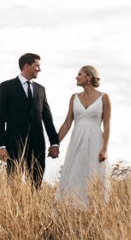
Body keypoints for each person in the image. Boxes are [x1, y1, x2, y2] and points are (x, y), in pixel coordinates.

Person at [0, 52, 60, 186]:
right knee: (13, 182)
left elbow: (47, 118)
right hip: (14, 144)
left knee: (36, 182)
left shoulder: (41, 89)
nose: (39, 69)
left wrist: (54, 143)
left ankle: (33, 206)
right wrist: (1, 145)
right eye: (37, 66)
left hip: (37, 144)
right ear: (27, 66)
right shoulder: (6, 87)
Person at [55, 65, 111, 206]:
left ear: (89, 77)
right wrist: (55, 143)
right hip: (77, 140)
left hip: (95, 140)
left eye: (79, 74)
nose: (76, 77)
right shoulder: (74, 97)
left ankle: (95, 208)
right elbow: (67, 122)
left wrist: (104, 149)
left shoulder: (104, 97)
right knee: (75, 171)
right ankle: (72, 208)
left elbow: (107, 124)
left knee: (94, 174)